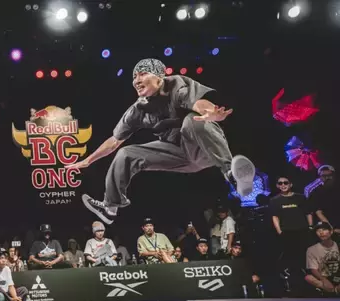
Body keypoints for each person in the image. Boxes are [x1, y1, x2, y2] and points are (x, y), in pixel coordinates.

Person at [66, 58, 255, 225]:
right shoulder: (138, 109)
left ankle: (231, 173)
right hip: (175, 155)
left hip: (201, 149)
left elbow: (198, 104)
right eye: (134, 77)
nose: (136, 80)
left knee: (192, 120)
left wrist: (211, 112)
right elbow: (114, 141)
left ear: (159, 77)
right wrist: (88, 160)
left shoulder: (176, 86)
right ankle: (110, 208)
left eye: (142, 74)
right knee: (125, 153)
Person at [305, 222, 340, 294]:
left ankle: (333, 291)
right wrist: (324, 280)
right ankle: (333, 290)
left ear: (331, 232)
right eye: (318, 231)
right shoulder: (311, 249)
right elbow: (313, 269)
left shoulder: (338, 245)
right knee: (308, 277)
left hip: (338, 276)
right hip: (324, 277)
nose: (321, 232)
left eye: (324, 229)